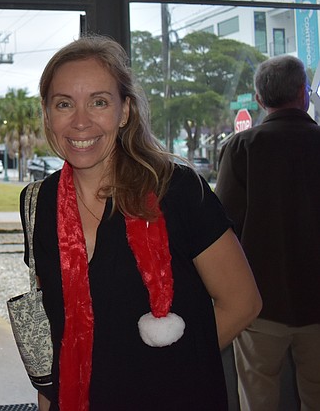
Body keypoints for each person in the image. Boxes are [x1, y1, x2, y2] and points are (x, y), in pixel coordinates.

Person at [26, 35, 261, 410]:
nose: (81, 121)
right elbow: (53, 320)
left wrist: (168, 368)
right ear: (48, 115)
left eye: (99, 102)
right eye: (64, 104)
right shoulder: (38, 203)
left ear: (125, 111)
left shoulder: (178, 190)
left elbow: (243, 303)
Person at [216, 54, 320, 411]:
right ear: (303, 94)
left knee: (257, 398)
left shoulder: (241, 147)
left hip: (260, 303)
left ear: (259, 100)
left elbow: (222, 225)